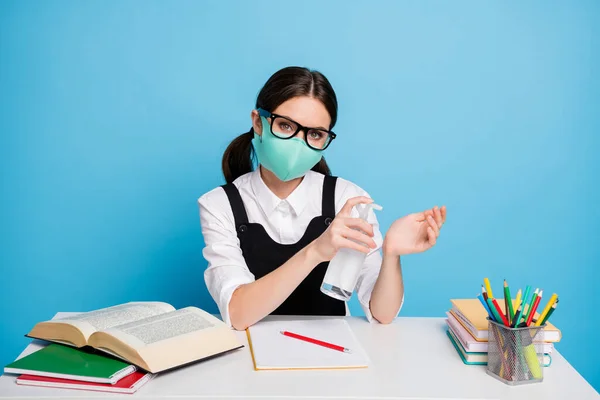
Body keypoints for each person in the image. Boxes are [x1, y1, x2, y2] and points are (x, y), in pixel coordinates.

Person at [198, 66, 446, 330]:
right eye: (285, 126)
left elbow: (382, 314)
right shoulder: (218, 205)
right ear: (258, 122)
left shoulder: (348, 199)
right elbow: (237, 314)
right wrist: (317, 250)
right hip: (250, 355)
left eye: (314, 134)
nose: (298, 143)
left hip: (332, 351)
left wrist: (392, 254)